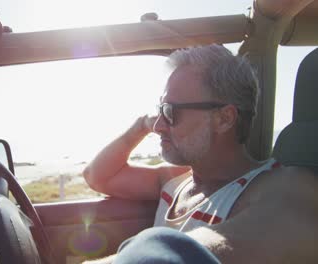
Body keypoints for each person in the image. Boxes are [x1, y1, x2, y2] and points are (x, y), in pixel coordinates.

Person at [83, 44, 318, 263]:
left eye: (171, 112)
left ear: (224, 118)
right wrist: (141, 125)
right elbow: (97, 176)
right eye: (160, 111)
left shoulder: (280, 185)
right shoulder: (175, 181)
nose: (158, 127)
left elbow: (282, 224)